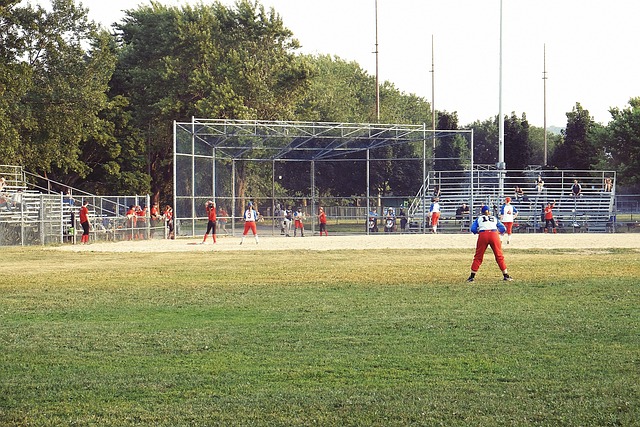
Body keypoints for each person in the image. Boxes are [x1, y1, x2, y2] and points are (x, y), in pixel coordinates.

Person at [467, 205, 512, 283]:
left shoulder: (479, 218)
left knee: (478, 256)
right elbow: (503, 228)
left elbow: (473, 229)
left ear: (482, 212)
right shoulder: (494, 218)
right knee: (499, 255)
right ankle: (506, 275)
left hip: (483, 234)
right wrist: (497, 232)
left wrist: (478, 232)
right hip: (494, 234)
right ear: (489, 211)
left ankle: (472, 277)